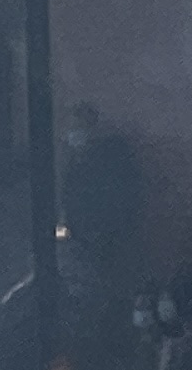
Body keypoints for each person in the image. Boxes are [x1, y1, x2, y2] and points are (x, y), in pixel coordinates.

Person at [60, 100, 147, 283]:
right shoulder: (70, 160)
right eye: (72, 128)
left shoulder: (109, 157)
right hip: (77, 234)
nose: (73, 133)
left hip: (104, 236)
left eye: (80, 127)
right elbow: (66, 200)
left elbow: (119, 197)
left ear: (92, 129)